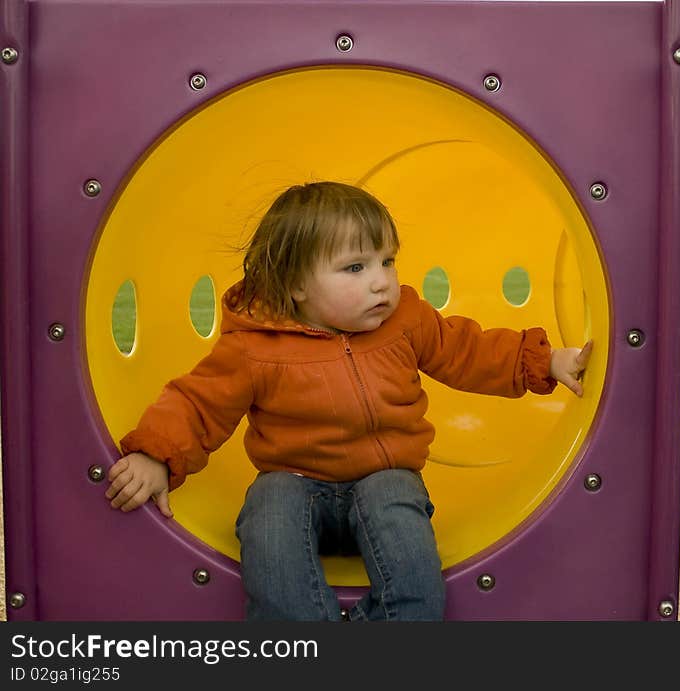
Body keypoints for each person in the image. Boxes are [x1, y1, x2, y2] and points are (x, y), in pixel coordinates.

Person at [104, 181, 593, 621]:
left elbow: (468, 351)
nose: (381, 280)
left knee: (414, 572)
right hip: (293, 483)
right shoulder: (254, 347)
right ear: (296, 285)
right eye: (355, 268)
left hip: (385, 481)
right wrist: (156, 454)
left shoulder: (407, 320)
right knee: (268, 509)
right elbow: (198, 402)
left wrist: (544, 361)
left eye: (387, 261)